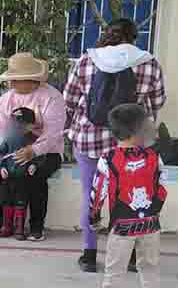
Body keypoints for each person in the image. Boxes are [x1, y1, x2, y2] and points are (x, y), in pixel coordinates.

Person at [64, 18, 166, 272]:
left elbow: (70, 99)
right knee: (130, 196)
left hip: (89, 139)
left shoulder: (88, 60)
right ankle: (129, 256)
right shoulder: (148, 63)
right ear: (134, 37)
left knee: (90, 194)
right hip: (131, 142)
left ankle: (89, 255)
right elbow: (158, 102)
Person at [88, 104, 167, 288]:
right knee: (149, 267)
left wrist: (93, 219)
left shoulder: (108, 159)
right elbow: (162, 188)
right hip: (151, 225)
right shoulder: (154, 157)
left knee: (114, 271)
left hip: (122, 227)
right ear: (140, 130)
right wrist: (153, 211)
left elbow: (97, 192)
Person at [0, 53, 66, 241]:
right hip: (12, 149)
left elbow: (53, 133)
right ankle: (1, 219)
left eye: (15, 80)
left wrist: (33, 151)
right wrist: (5, 148)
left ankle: (37, 226)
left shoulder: (52, 97)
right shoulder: (7, 98)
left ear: (31, 80)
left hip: (46, 151)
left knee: (34, 175)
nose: (11, 85)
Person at [0, 107, 47, 240]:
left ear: (30, 125)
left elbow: (41, 155)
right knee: (6, 201)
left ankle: (19, 229)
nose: (17, 126)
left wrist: (34, 165)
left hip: (23, 177)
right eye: (15, 123)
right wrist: (2, 167)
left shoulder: (34, 140)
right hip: (8, 177)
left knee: (21, 202)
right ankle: (7, 227)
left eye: (21, 123)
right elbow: (0, 154)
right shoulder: (8, 139)